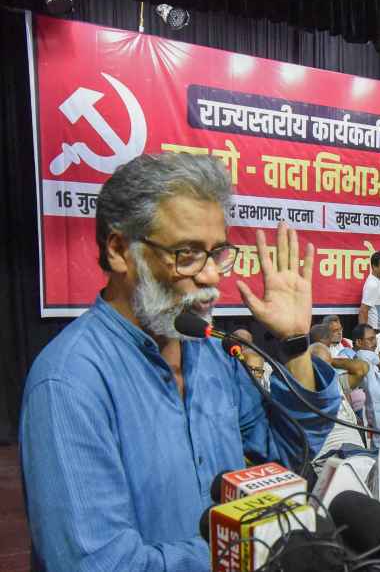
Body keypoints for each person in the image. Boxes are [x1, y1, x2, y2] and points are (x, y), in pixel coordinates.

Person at [19, 153, 342, 571]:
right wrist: (241, 548)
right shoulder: (69, 383)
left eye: (218, 253)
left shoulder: (208, 354)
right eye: (187, 254)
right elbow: (96, 564)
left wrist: (296, 342)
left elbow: (284, 460)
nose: (211, 276)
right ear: (120, 251)